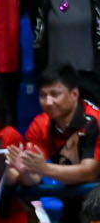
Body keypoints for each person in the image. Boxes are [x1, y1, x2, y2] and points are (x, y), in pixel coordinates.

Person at [9, 65, 100, 197]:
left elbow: (90, 172)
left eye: (55, 94)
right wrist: (25, 171)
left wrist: (45, 168)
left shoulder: (95, 120)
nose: (48, 102)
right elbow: (34, 178)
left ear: (74, 94)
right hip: (71, 197)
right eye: (43, 95)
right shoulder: (39, 125)